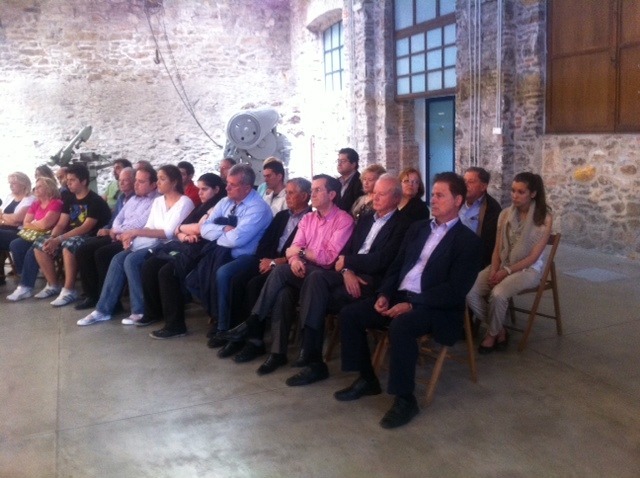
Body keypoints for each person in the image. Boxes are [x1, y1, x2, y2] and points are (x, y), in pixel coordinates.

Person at [334, 172, 482, 429]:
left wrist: (413, 304)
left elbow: (455, 290)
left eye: (440, 195)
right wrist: (384, 294)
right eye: (433, 194)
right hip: (400, 296)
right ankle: (367, 379)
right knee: (351, 314)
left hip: (435, 306)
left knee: (401, 326)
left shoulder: (468, 242)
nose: (433, 200)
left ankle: (405, 399)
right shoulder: (418, 229)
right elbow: (396, 266)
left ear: (458, 200)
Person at [275, 174, 410, 382]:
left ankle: (312, 359)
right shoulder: (366, 219)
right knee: (313, 283)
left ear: (396, 198)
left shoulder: (403, 225)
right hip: (349, 275)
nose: (375, 197)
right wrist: (347, 270)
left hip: (372, 282)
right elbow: (346, 251)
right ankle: (312, 359)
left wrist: (348, 263)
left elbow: (382, 260)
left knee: (314, 289)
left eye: (382, 194)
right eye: (374, 192)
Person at [220, 174, 355, 377]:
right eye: (312, 189)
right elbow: (293, 248)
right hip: (303, 270)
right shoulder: (308, 219)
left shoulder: (343, 220)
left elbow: (328, 258)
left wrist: (299, 254)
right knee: (282, 293)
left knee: (280, 272)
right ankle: (277, 353)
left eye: (318, 190)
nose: (312, 193)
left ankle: (253, 321)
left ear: (332, 194)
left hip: (326, 275)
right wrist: (295, 260)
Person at [77, 165, 194, 326]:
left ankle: (139, 309)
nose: (158, 183)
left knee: (131, 260)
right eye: (158, 179)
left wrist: (134, 232)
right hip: (153, 242)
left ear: (174, 182)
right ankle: (103, 309)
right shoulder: (158, 201)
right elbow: (150, 226)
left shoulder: (185, 202)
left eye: (162, 179)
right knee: (118, 258)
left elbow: (168, 233)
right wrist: (131, 238)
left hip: (171, 246)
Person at [212, 178, 312, 363]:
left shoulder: (311, 219)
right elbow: (265, 241)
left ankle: (255, 342)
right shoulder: (282, 216)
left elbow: (304, 252)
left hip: (286, 266)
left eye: (291, 193)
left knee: (253, 285)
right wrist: (265, 260)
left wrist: (274, 262)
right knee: (236, 280)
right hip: (267, 260)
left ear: (305, 196)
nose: (287, 197)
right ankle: (235, 335)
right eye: (287, 192)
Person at [466, 172, 552, 354]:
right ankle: (500, 330)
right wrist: (494, 269)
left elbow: (533, 257)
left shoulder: (543, 218)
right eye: (513, 191)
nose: (515, 195)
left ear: (533, 194)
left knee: (498, 294)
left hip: (527, 269)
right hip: (502, 263)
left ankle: (491, 335)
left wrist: (505, 271)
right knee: (470, 291)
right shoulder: (505, 214)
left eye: (521, 192)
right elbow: (497, 248)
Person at [185, 163, 273, 341]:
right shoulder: (225, 202)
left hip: (246, 256)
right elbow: (204, 229)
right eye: (227, 183)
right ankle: (216, 312)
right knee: (192, 278)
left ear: (247, 187)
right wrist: (224, 228)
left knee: (223, 273)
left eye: (232, 185)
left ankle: (223, 326)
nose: (227, 188)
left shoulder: (258, 208)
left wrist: (217, 232)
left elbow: (237, 240)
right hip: (219, 252)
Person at [7, 164, 112, 302]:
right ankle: (53, 285)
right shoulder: (69, 198)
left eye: (72, 180)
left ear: (84, 181)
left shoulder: (95, 200)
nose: (68, 183)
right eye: (67, 180)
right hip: (70, 234)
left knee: (69, 245)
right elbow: (62, 223)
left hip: (92, 235)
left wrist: (59, 239)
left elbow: (85, 228)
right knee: (41, 244)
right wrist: (52, 238)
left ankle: (69, 290)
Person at [141, 173, 227, 339]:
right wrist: (184, 233)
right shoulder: (201, 206)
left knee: (167, 272)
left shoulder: (218, 206)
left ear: (216, 189)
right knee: (150, 265)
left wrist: (185, 230)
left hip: (203, 251)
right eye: (199, 189)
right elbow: (177, 229)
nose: (200, 193)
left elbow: (201, 229)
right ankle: (154, 312)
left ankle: (176, 326)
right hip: (187, 247)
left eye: (204, 189)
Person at [73, 165, 158, 310]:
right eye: (136, 181)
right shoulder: (133, 199)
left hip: (132, 239)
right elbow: (119, 217)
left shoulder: (155, 201)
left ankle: (111, 302)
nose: (136, 184)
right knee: (83, 249)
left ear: (153, 184)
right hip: (118, 234)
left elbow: (140, 223)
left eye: (141, 181)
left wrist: (117, 230)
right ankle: (92, 295)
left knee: (102, 254)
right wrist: (115, 229)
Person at [4, 178, 62, 291]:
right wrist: (36, 224)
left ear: (49, 188)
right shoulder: (36, 203)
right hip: (33, 234)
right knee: (16, 244)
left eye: (39, 186)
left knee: (33, 248)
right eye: (36, 186)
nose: (35, 189)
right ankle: (23, 276)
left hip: (49, 235)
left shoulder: (56, 203)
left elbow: (45, 224)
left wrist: (34, 223)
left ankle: (26, 285)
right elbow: (26, 223)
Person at [460, 167, 502, 267]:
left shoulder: (492, 209)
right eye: (464, 181)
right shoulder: (456, 201)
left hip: (474, 257)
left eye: (471, 182)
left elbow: (488, 245)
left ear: (483, 186)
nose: (465, 185)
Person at [0, 172, 36, 252]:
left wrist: (2, 216)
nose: (11, 186)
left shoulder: (31, 199)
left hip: (19, 232)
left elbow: (18, 219)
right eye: (10, 183)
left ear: (23, 185)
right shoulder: (10, 197)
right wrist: (6, 220)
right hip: (4, 228)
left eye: (14, 183)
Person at [335, 148, 363, 212]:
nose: (339, 164)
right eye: (338, 161)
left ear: (353, 164)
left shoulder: (361, 182)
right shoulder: (336, 182)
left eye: (343, 161)